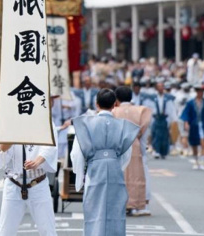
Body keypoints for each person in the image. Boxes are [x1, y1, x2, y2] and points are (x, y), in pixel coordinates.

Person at [71, 89, 140, 235]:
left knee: (93, 210)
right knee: (115, 211)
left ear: (96, 104)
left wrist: (80, 175)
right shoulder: (122, 125)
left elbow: (77, 154)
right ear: (115, 104)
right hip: (115, 170)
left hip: (94, 169)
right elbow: (126, 154)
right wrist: (115, 166)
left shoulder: (85, 124)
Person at [0, 127, 58, 236]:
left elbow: (49, 148)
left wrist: (37, 162)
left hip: (38, 182)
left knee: (48, 230)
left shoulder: (44, 119)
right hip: (13, 182)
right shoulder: (7, 123)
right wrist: (9, 140)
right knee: (5, 231)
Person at [112, 86, 153, 217]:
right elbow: (144, 136)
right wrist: (143, 154)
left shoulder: (114, 111)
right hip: (134, 146)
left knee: (119, 176)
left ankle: (119, 205)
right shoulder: (141, 111)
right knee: (136, 177)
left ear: (116, 99)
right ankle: (136, 205)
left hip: (118, 147)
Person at [180, 85, 204, 170]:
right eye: (199, 91)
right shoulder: (190, 103)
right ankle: (196, 159)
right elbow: (186, 113)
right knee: (194, 144)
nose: (200, 93)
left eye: (202, 92)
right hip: (194, 125)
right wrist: (186, 122)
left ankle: (203, 160)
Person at [144, 80, 176, 159]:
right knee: (156, 135)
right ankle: (156, 150)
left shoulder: (167, 98)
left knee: (165, 136)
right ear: (156, 88)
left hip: (164, 118)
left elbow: (171, 109)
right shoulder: (152, 98)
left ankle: (163, 152)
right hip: (156, 118)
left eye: (162, 87)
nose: (161, 88)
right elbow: (149, 108)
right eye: (159, 87)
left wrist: (173, 119)